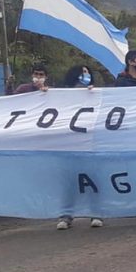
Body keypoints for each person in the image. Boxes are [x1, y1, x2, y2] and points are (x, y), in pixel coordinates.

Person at [54, 69, 103, 230]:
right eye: (82, 73)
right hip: (68, 145)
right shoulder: (61, 96)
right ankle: (66, 215)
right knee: (68, 181)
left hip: (90, 144)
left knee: (93, 179)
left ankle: (96, 213)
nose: (85, 76)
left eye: (88, 73)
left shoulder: (96, 94)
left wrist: (93, 94)